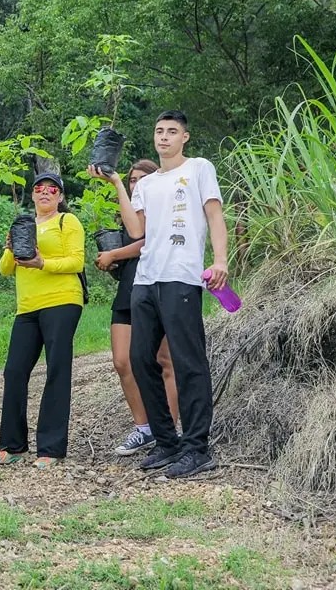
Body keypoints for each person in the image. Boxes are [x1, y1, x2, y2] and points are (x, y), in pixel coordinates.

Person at [89, 110, 228, 478]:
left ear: (185, 137)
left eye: (171, 131)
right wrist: (119, 183)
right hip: (146, 279)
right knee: (139, 359)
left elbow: (214, 216)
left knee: (188, 361)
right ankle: (167, 442)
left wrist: (221, 261)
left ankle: (197, 448)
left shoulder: (198, 168)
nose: (163, 137)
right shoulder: (147, 185)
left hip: (181, 276)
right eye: (158, 131)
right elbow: (137, 230)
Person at [0, 172, 85, 469]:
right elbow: (6, 270)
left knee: (57, 369)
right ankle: (13, 444)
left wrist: (42, 262)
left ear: (60, 196)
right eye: (39, 188)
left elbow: (76, 261)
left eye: (52, 189)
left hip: (62, 300)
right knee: (14, 371)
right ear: (33, 195)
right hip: (27, 307)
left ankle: (51, 448)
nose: (45, 192)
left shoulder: (66, 222)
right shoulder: (24, 225)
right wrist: (10, 247)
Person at [94, 159, 179, 456]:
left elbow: (148, 241)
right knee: (122, 361)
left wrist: (114, 252)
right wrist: (113, 261)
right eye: (132, 180)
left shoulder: (165, 205)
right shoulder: (130, 210)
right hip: (129, 288)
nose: (136, 183)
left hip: (160, 285)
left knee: (163, 360)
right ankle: (144, 428)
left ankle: (166, 428)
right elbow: (134, 239)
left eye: (142, 178)